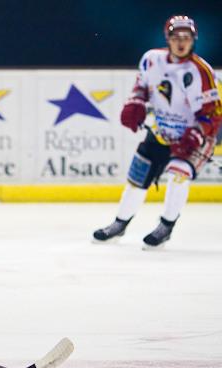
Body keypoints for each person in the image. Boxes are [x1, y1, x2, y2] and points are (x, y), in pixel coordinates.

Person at [93, 15, 222, 248]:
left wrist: (195, 134)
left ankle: (166, 226)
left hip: (194, 136)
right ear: (167, 38)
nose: (181, 42)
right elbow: (142, 87)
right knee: (137, 177)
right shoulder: (151, 59)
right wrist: (136, 103)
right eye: (176, 37)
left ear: (193, 40)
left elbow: (213, 112)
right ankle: (119, 223)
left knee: (178, 174)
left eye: (186, 37)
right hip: (160, 131)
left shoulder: (201, 71)